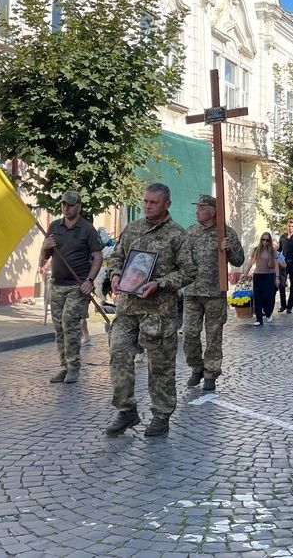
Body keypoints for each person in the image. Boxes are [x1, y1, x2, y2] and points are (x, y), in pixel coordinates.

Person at [104, 183, 196, 438]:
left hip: (158, 311)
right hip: (127, 307)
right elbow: (117, 257)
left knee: (160, 366)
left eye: (153, 202)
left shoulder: (178, 236)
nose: (147, 206)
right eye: (145, 201)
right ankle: (126, 410)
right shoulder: (132, 229)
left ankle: (161, 415)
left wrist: (161, 283)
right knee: (118, 355)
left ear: (167, 204)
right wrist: (115, 275)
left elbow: (189, 271)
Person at [39, 191, 102, 386]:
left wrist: (89, 280)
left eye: (71, 205)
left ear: (79, 207)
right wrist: (45, 246)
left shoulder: (87, 229)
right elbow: (44, 257)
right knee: (59, 328)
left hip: (77, 286)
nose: (66, 208)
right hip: (57, 284)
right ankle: (65, 366)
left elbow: (98, 257)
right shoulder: (54, 227)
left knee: (69, 324)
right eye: (64, 204)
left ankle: (73, 367)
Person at [182, 195, 244, 392]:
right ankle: (196, 367)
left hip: (215, 293)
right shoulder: (191, 231)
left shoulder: (226, 233)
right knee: (189, 335)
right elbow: (181, 257)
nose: (197, 211)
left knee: (213, 337)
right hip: (192, 291)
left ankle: (210, 373)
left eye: (201, 207)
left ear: (213, 211)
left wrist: (229, 250)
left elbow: (239, 260)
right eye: (197, 207)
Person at [243, 232, 280, 327]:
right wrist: (245, 274)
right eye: (263, 239)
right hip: (258, 275)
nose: (265, 242)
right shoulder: (256, 249)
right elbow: (251, 262)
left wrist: (277, 277)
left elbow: (276, 265)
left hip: (269, 275)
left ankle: (268, 313)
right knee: (257, 297)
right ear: (261, 240)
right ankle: (259, 319)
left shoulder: (272, 250)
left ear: (270, 241)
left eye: (267, 240)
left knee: (267, 296)